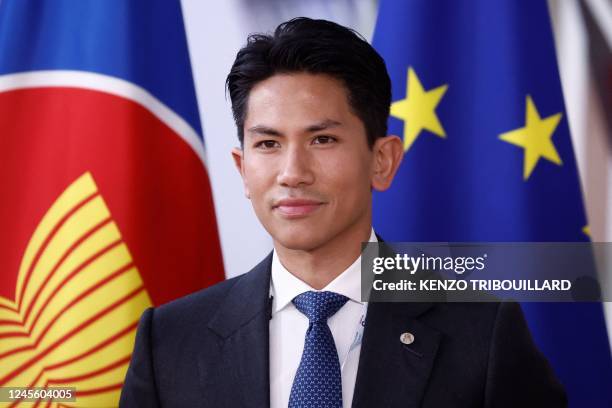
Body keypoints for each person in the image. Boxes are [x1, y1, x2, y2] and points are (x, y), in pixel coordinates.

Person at [120, 18, 566, 408]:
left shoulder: (483, 333)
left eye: (322, 140)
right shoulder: (170, 341)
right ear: (242, 168)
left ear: (383, 160)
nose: (292, 173)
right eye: (268, 144)